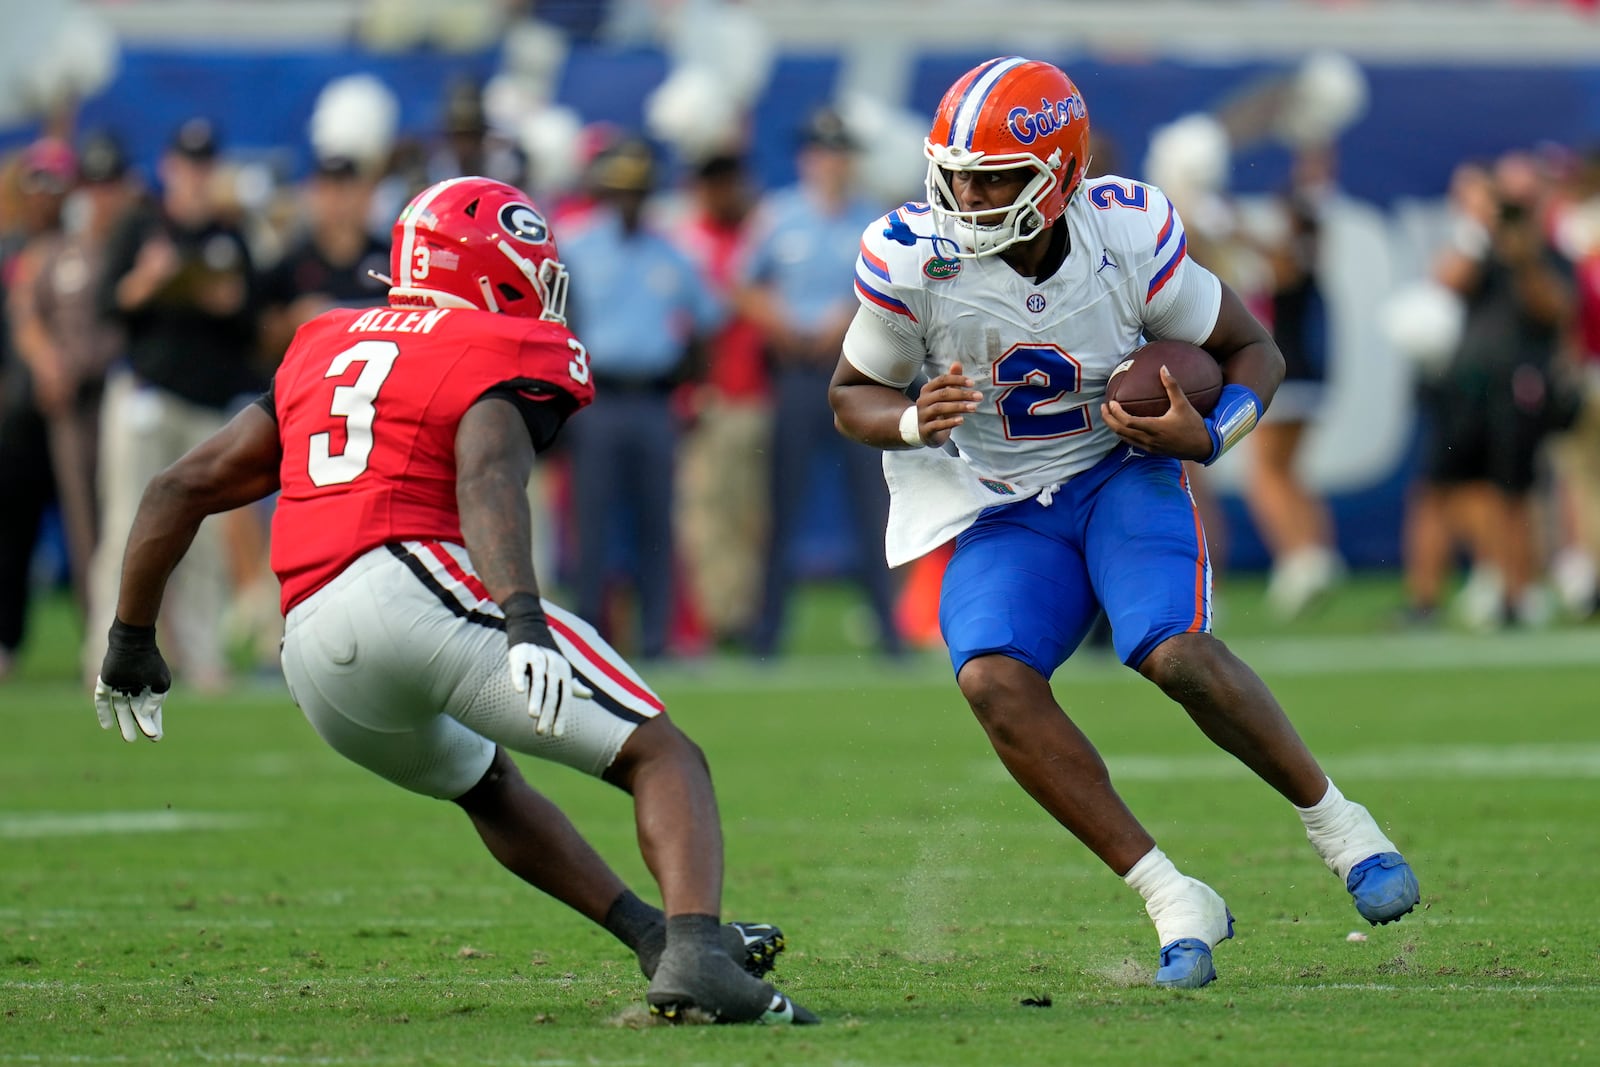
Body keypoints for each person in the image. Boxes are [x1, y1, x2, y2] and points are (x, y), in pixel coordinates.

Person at [90, 176, 815, 1025]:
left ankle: (658, 938)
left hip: (316, 654)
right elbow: (487, 473)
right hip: (410, 584)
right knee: (663, 753)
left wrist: (129, 637)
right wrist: (522, 614)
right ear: (488, 270)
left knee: (488, 783)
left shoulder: (322, 340)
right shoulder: (493, 342)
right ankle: (699, 955)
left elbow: (180, 487)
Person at [827, 57, 1420, 989]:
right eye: (957, 172)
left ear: (1058, 174)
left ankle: (1342, 829)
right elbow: (850, 393)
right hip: (1000, 503)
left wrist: (1212, 432)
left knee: (1172, 649)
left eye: (995, 177)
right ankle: (1171, 893)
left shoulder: (1127, 231)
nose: (967, 194)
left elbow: (1248, 349)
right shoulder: (914, 254)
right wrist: (911, 417)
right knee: (990, 678)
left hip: (1119, 472)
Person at [85, 117, 261, 689]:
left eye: (205, 165)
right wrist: (150, 279)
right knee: (125, 530)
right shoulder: (142, 225)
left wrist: (228, 301)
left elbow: (252, 322)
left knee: (205, 538)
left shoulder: (229, 236)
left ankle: (202, 656)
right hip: (145, 393)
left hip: (207, 406)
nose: (196, 176)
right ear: (169, 168)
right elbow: (109, 302)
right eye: (187, 165)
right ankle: (103, 654)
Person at [739, 107, 901, 657]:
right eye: (822, 152)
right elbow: (744, 283)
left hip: (857, 373)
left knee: (872, 503)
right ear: (807, 158)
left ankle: (888, 626)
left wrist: (845, 318)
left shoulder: (871, 221)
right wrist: (778, 321)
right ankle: (768, 631)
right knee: (782, 502)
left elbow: (891, 289)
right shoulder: (779, 216)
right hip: (796, 371)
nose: (830, 162)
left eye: (838, 153)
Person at [560, 137, 722, 659]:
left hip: (654, 400)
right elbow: (556, 322)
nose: (628, 202)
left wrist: (692, 386)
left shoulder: (672, 253)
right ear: (605, 194)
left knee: (657, 522)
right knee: (592, 521)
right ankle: (589, 635)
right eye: (619, 192)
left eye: (637, 193)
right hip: (598, 397)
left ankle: (656, 637)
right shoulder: (578, 246)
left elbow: (705, 324)